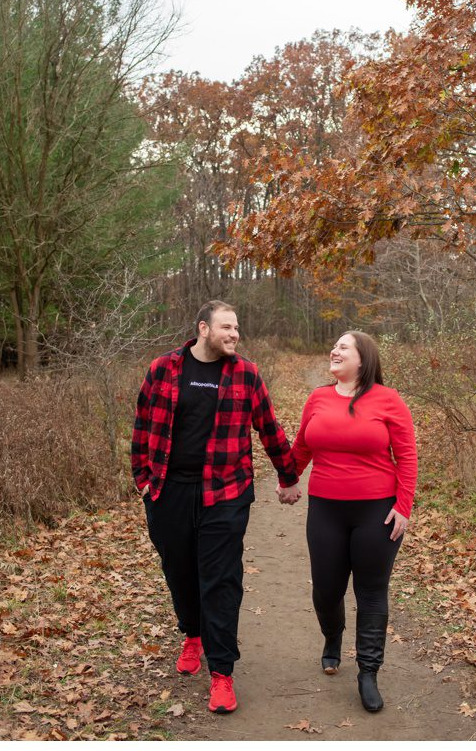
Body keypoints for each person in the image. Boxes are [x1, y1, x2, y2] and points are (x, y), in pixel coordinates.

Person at [130, 300, 300, 715]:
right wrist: (144, 481)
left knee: (221, 581)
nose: (234, 335)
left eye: (237, 328)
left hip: (225, 493)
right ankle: (193, 634)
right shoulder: (163, 369)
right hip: (169, 494)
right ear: (203, 328)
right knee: (180, 570)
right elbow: (141, 425)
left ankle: (222, 675)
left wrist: (288, 474)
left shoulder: (246, 374)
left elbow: (269, 427)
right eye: (226, 327)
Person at [291, 330, 416, 713]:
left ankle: (368, 671)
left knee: (371, 591)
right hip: (325, 508)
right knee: (326, 591)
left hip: (376, 511)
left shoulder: (388, 400)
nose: (334, 350)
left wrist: (403, 506)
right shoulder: (318, 398)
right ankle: (332, 638)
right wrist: (288, 479)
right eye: (334, 346)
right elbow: (302, 446)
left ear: (363, 359)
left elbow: (407, 455)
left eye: (343, 347)